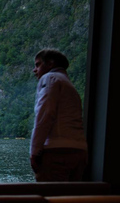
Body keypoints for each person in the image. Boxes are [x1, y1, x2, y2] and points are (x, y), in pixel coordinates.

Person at [30, 49, 88, 182]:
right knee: (69, 200)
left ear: (50, 63)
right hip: (79, 151)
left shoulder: (50, 78)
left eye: (38, 65)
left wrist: (34, 151)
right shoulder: (69, 85)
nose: (34, 70)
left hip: (57, 151)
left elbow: (44, 115)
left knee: (50, 198)